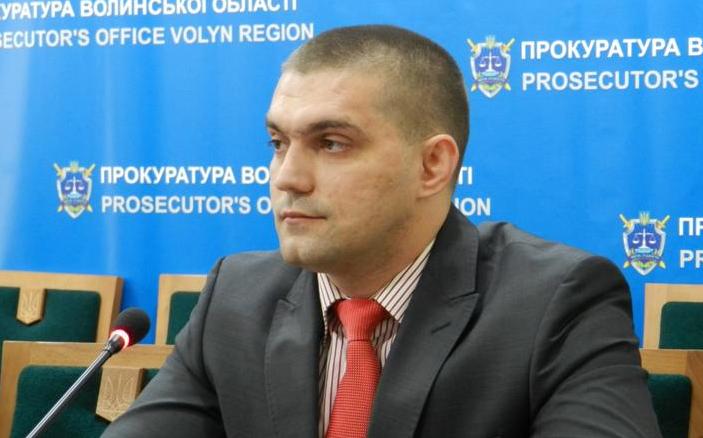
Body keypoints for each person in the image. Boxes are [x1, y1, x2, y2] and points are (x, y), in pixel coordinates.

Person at [103, 25, 661, 437]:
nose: (286, 177)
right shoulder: (236, 296)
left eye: (332, 143)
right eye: (278, 143)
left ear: (432, 165)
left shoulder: (557, 301)